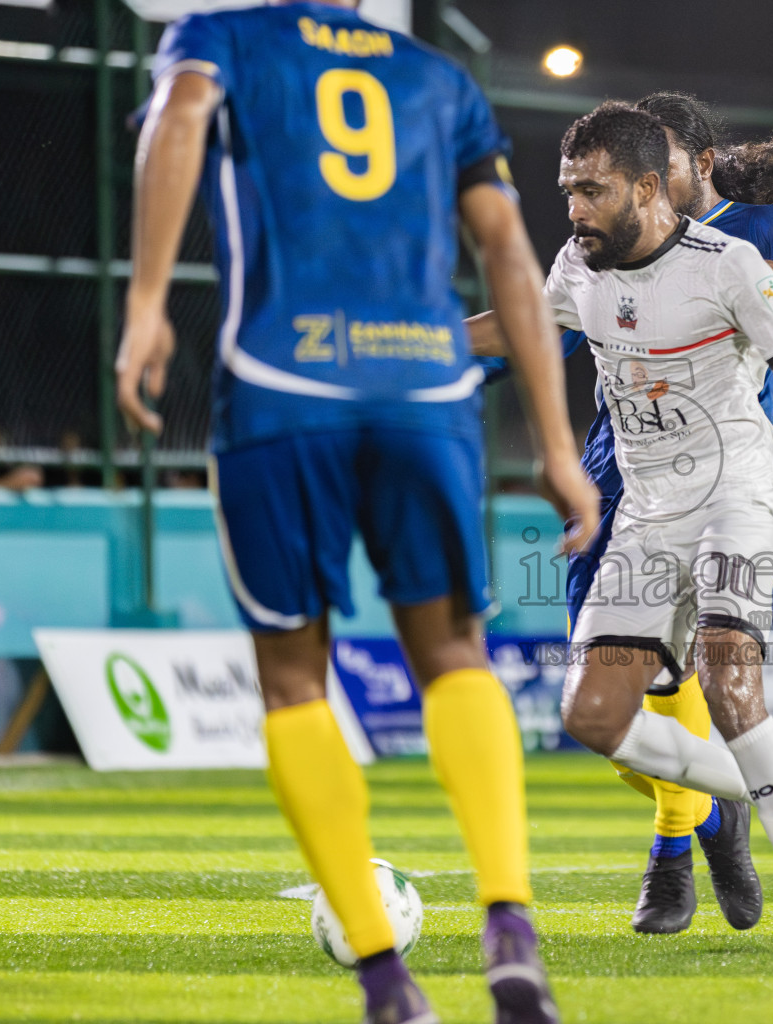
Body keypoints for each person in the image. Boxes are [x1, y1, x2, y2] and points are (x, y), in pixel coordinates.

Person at [117, 5, 599, 1022]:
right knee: (456, 655)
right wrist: (555, 444)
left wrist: (146, 303)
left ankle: (386, 982)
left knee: (295, 679)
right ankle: (509, 924)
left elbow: (180, 117)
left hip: (282, 383)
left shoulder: (224, 38)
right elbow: (508, 251)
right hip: (426, 388)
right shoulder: (439, 78)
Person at [473, 91, 773, 936]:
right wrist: (412, 353)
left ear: (665, 177)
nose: (574, 207)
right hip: (631, 495)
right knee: (596, 714)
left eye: (593, 188)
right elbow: (531, 330)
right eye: (569, 190)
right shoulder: (583, 260)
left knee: (726, 679)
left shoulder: (743, 249)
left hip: (734, 492)